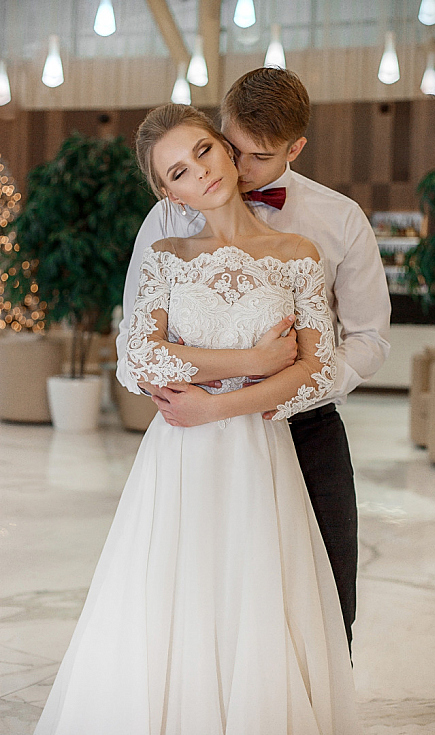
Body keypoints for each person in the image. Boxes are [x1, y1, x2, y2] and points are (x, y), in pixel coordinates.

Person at [34, 104, 360, 734]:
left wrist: (215, 403)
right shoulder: (165, 255)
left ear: (226, 149)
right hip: (179, 457)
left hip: (260, 454)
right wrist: (254, 361)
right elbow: (141, 355)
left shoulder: (299, 254)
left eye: (203, 151)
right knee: (173, 597)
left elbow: (316, 370)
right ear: (169, 193)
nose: (200, 173)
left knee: (254, 597)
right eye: (178, 172)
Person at [116, 67, 391, 652]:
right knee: (196, 611)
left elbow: (368, 340)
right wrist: (240, 373)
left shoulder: (337, 220)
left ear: (295, 149)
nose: (231, 170)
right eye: (227, 146)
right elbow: (133, 349)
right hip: (194, 439)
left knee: (324, 606)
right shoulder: (167, 223)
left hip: (305, 429)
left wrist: (287, 385)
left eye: (258, 157)